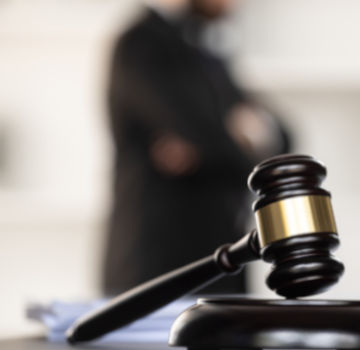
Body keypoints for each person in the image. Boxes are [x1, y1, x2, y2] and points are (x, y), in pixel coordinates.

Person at [102, 0, 290, 295]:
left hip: (221, 261)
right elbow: (205, 136)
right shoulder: (140, 44)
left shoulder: (204, 48)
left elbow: (282, 136)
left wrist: (234, 140)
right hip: (158, 263)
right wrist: (236, 138)